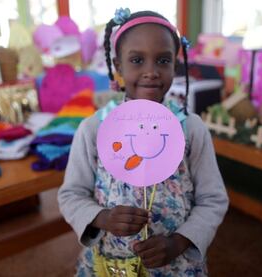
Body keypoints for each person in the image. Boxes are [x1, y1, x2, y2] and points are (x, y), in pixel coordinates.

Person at [58, 8, 229, 276]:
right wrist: (103, 218)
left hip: (177, 265)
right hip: (108, 264)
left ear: (175, 64)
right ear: (117, 66)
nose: (151, 72)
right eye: (137, 60)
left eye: (163, 60)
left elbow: (213, 199)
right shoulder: (93, 129)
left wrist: (178, 243)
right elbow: (71, 195)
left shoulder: (192, 129)